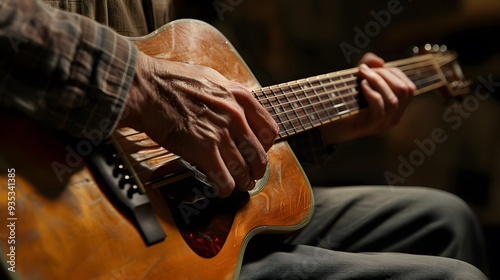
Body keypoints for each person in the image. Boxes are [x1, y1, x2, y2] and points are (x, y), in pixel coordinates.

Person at [0, 0, 490, 279]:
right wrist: (141, 85)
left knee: (443, 216)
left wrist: (325, 125)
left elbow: (189, 123)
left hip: (169, 209)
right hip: (49, 215)